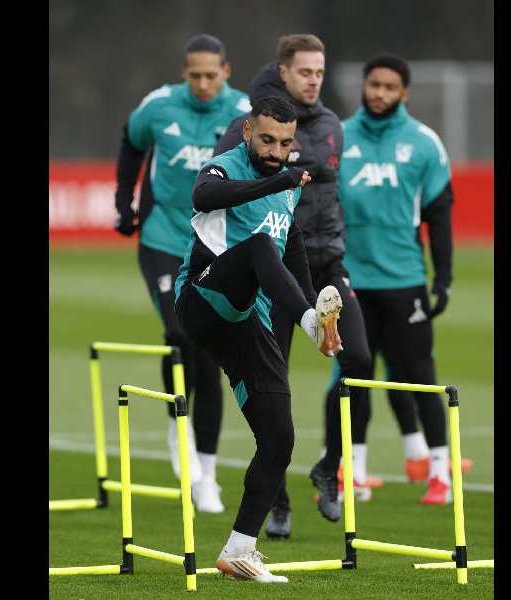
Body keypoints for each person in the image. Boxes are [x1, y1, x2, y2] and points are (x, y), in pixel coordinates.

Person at [175, 96, 343, 583]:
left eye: (285, 143)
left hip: (249, 322)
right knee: (256, 247)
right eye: (266, 139)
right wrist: (278, 181)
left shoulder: (288, 190)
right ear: (248, 130)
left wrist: (314, 305)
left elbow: (295, 262)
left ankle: (239, 550)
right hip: (203, 300)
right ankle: (311, 324)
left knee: (279, 438)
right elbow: (202, 198)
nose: (275, 149)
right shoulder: (224, 166)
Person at [214, 33, 375, 537]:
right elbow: (219, 186)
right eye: (304, 71)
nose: (313, 80)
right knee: (274, 388)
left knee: (360, 360)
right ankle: (277, 493)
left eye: (320, 72)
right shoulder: (249, 124)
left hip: (327, 264)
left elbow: (331, 195)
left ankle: (329, 466)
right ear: (283, 72)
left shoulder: (331, 125)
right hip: (276, 272)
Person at [113, 34, 252, 513]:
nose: (202, 84)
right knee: (178, 331)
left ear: (226, 71)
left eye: (211, 75)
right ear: (183, 71)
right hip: (161, 240)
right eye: (194, 75)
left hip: (213, 244)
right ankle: (179, 427)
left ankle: (207, 474)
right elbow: (130, 146)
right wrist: (123, 203)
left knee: (209, 354)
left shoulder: (244, 113)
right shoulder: (158, 106)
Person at [337, 53, 470, 504]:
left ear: (404, 93)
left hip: (405, 278)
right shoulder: (339, 137)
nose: (379, 93)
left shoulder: (424, 143)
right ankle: (353, 471)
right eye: (373, 84)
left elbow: (440, 215)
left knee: (418, 373)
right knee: (355, 375)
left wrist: (443, 277)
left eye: (390, 87)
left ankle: (439, 471)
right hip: (351, 281)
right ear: (363, 86)